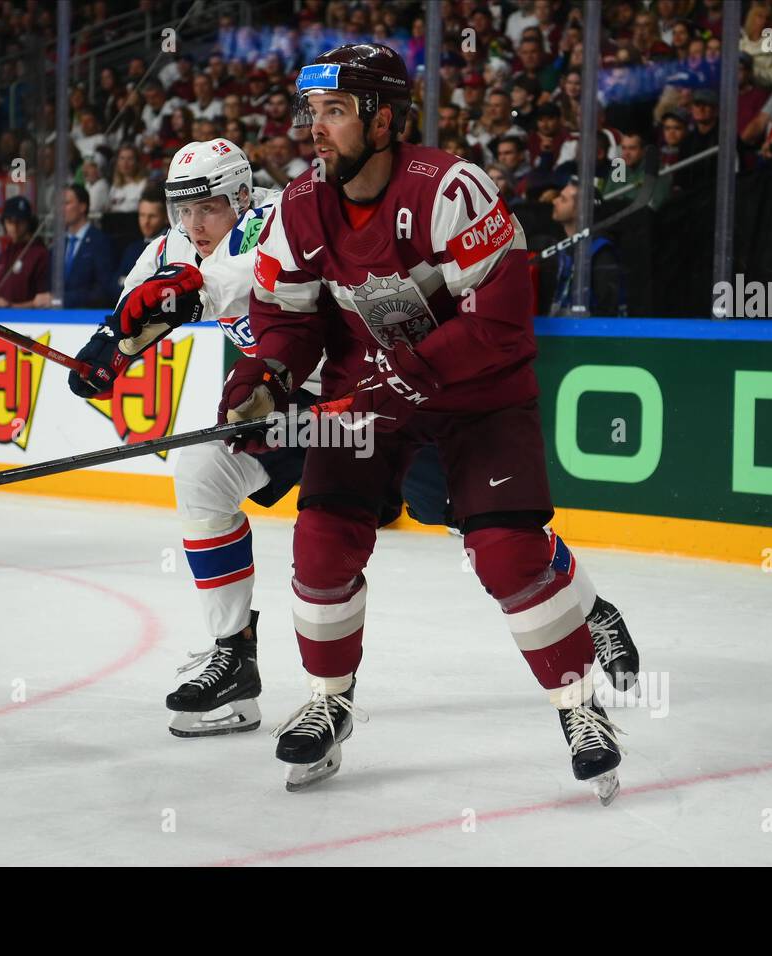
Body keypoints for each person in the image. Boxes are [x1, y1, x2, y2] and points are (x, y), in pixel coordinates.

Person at [67, 137, 639, 745]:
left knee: (479, 523)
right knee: (201, 474)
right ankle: (233, 655)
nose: (192, 223)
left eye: (206, 207)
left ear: (239, 193)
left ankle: (591, 609)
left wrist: (179, 296)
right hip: (282, 398)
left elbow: (236, 284)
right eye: (181, 209)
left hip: (372, 389)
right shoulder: (174, 246)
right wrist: (107, 351)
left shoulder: (282, 213)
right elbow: (142, 299)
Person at [223, 43, 634, 797]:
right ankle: (327, 702)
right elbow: (287, 319)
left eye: (335, 113)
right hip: (367, 397)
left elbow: (503, 326)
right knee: (320, 546)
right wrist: (266, 375)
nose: (316, 130)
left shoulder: (452, 188)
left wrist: (396, 380)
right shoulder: (298, 204)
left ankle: (582, 707)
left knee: (508, 554)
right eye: (312, 113)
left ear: (383, 120)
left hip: (477, 398)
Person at [546, 178, 626, 317]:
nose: (554, 201)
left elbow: (607, 309)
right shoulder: (562, 247)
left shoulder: (601, 253)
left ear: (580, 211)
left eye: (563, 199)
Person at [0, 196, 49, 308]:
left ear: (29, 223)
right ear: (4, 223)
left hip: (29, 322)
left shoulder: (40, 254)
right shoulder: (3, 256)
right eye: (10, 221)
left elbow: (43, 301)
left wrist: (12, 306)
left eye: (19, 221)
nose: (14, 227)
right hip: (0, 320)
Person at [109, 186, 168, 301]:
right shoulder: (132, 249)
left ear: (166, 218)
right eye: (142, 215)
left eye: (152, 216)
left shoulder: (172, 247)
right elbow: (114, 287)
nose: (146, 222)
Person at [61, 184, 113, 309]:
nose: (61, 209)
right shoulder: (58, 244)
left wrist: (63, 299)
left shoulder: (100, 242)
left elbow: (103, 291)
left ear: (82, 207)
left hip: (85, 318)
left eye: (66, 203)